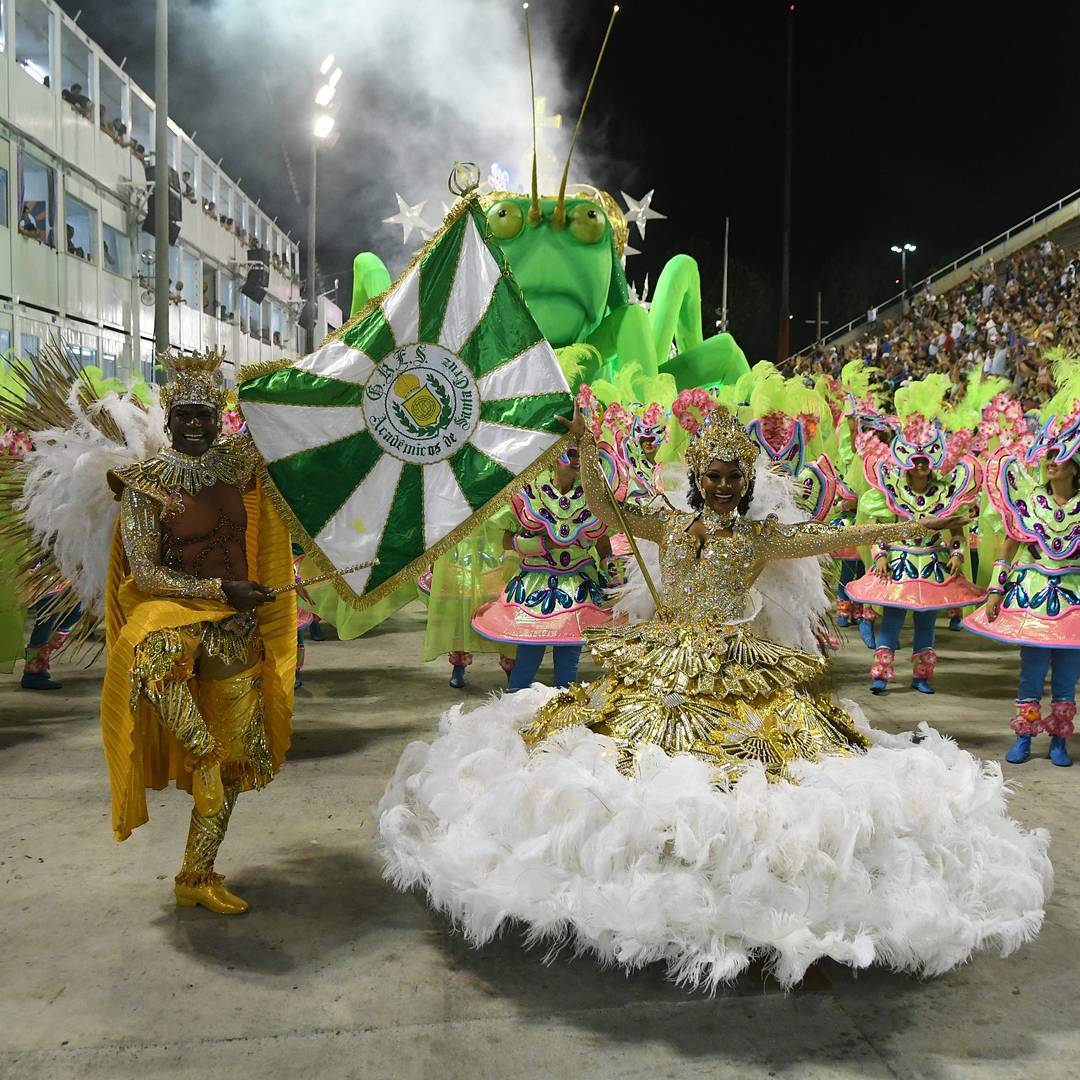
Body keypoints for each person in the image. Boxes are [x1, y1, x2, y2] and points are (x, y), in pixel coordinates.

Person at [378, 401, 1050, 990]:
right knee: (628, 772)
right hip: (660, 662)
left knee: (752, 775)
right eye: (712, 476)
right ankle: (655, 872)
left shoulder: (761, 536)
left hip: (738, 665)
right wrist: (583, 449)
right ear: (697, 480)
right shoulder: (667, 527)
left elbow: (842, 536)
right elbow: (607, 506)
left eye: (733, 477)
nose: (723, 486)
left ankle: (725, 889)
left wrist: (917, 531)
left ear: (747, 482)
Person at [101, 349, 296, 914]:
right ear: (168, 417)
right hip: (180, 622)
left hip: (236, 629)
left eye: (203, 415)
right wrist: (217, 591)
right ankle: (200, 756)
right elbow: (145, 572)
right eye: (183, 414)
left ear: (219, 419)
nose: (192, 424)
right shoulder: (145, 484)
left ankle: (197, 875)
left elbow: (301, 424)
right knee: (155, 652)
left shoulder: (238, 467)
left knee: (235, 764)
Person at [965, 360, 1080, 767]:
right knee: (1032, 669)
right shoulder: (1030, 500)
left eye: (1061, 458)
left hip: (1074, 596)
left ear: (1075, 466)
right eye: (1049, 456)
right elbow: (1011, 546)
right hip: (1032, 593)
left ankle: (1059, 741)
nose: (1052, 463)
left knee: (1067, 676)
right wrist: (996, 589)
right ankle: (1024, 737)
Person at [471, 443, 613, 691]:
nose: (578, 459)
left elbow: (602, 539)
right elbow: (504, 539)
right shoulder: (529, 491)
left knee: (569, 658)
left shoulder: (592, 493)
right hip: (536, 584)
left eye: (581, 454)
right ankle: (512, 713)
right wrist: (540, 544)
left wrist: (610, 566)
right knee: (528, 656)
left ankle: (564, 715)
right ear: (553, 456)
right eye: (571, 453)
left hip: (578, 584)